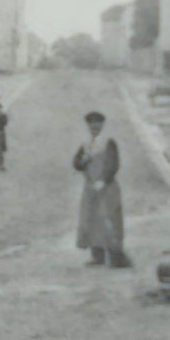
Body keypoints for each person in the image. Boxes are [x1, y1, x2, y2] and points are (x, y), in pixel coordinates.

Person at [72, 110, 130, 268]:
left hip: (107, 188)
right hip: (90, 187)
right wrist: (82, 161)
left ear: (102, 126)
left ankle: (117, 258)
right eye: (91, 126)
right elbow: (76, 163)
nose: (94, 128)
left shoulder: (108, 142)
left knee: (109, 220)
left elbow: (113, 164)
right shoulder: (86, 144)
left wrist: (104, 180)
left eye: (97, 125)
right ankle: (97, 256)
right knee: (90, 220)